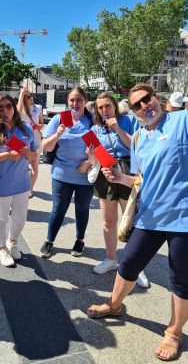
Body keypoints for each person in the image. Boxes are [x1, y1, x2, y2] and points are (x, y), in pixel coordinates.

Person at [87, 83, 188, 361]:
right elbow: (141, 180)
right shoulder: (139, 137)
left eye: (147, 99)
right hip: (150, 215)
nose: (145, 106)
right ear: (132, 111)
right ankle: (114, 304)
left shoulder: (182, 120)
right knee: (128, 262)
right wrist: (120, 179)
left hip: (183, 219)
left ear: (158, 98)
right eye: (137, 105)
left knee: (181, 278)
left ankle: (174, 332)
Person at [90, 92, 148, 287]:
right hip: (105, 172)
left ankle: (135, 266)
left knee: (130, 219)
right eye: (100, 107)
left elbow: (137, 145)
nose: (104, 110)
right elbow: (95, 153)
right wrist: (91, 153)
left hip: (127, 169)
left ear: (114, 105)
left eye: (107, 105)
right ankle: (110, 258)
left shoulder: (128, 121)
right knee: (108, 220)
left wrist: (117, 128)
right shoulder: (96, 128)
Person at [40, 87, 94, 258]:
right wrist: (57, 135)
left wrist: (88, 162)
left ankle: (80, 240)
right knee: (58, 209)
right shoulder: (59, 119)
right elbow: (46, 147)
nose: (75, 103)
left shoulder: (92, 120)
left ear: (85, 101)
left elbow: (100, 148)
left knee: (82, 208)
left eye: (79, 100)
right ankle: (49, 241)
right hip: (61, 174)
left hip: (85, 176)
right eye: (72, 100)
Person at [0, 94, 39, 267]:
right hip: (0, 182)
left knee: (20, 218)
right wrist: (9, 154)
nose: (5, 110)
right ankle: (2, 248)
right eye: (0, 108)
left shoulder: (26, 129)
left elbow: (35, 153)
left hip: (22, 182)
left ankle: (12, 242)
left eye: (8, 106)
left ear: (14, 108)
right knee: (0, 219)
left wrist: (28, 154)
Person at [17, 87, 43, 197]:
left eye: (31, 95)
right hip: (23, 142)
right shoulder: (20, 109)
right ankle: (21, 187)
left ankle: (30, 188)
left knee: (34, 167)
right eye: (27, 97)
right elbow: (17, 113)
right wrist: (21, 94)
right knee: (21, 167)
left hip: (36, 140)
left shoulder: (38, 108)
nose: (30, 98)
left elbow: (41, 124)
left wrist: (38, 126)